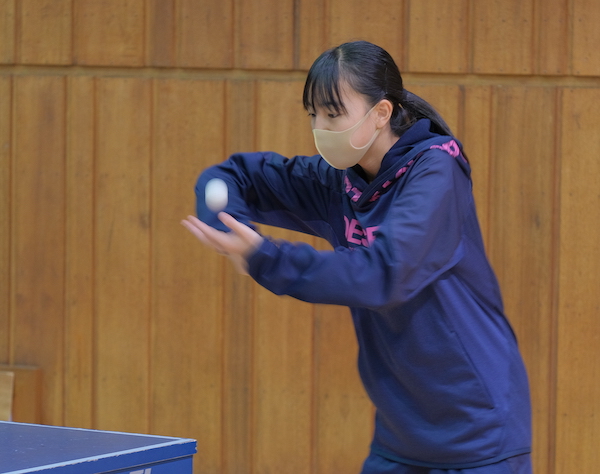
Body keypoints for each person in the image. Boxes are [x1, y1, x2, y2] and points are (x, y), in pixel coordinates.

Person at [181, 40, 532, 474]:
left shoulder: (436, 173)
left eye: (333, 113)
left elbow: (383, 274)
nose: (320, 126)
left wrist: (265, 257)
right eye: (313, 114)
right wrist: (229, 225)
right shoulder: (337, 183)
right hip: (400, 435)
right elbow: (233, 176)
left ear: (381, 113)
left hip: (479, 434)